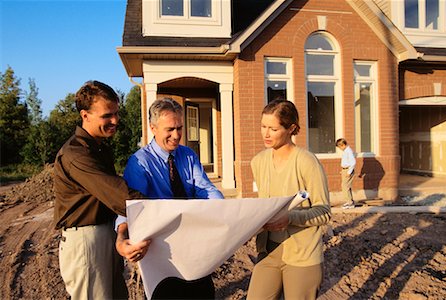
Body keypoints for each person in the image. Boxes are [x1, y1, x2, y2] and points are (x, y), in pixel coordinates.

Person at [116, 98, 224, 299]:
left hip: (193, 244)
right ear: (153, 128)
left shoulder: (188, 156)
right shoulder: (139, 163)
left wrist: (224, 210)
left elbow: (205, 189)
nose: (176, 136)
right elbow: (130, 207)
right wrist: (122, 237)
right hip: (162, 251)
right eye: (170, 129)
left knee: (203, 293)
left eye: (180, 128)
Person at [53, 80, 150, 300]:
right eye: (107, 115)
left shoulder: (97, 147)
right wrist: (161, 207)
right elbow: (119, 195)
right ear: (85, 115)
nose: (115, 120)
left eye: (116, 113)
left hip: (104, 235)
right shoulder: (76, 154)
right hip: (87, 242)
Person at [247, 100, 331, 300]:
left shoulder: (307, 162)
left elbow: (324, 212)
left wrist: (290, 218)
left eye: (273, 129)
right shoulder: (258, 162)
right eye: (263, 126)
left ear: (291, 128)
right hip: (268, 252)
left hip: (302, 255)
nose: (266, 134)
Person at [335, 138, 356, 209]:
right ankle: (349, 201)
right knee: (346, 186)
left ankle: (349, 203)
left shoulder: (348, 151)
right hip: (345, 170)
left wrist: (349, 172)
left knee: (345, 186)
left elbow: (353, 162)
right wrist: (343, 170)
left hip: (348, 170)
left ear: (343, 145)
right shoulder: (346, 151)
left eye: (339, 147)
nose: (340, 149)